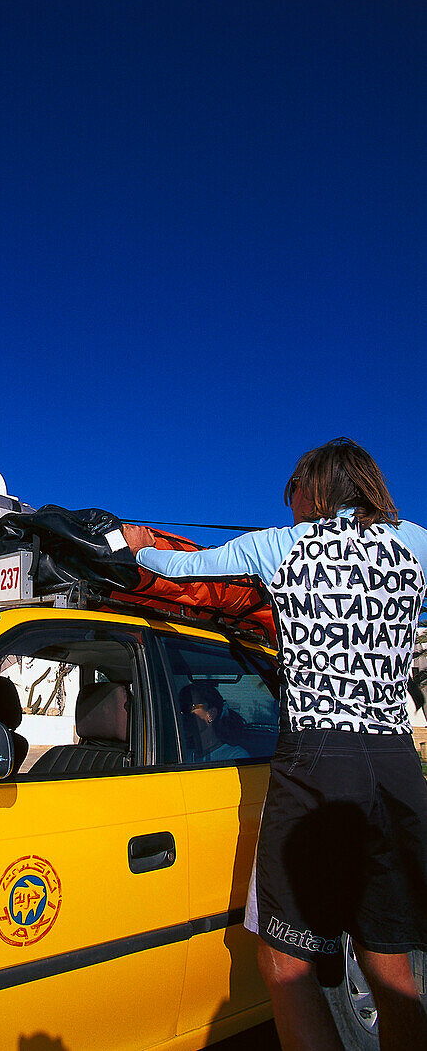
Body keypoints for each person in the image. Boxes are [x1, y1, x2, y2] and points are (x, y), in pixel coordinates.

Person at [123, 438, 427, 1051]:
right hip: (397, 767)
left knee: (287, 965)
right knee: (391, 962)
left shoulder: (280, 546)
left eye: (294, 500)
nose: (290, 514)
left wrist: (138, 547)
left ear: (312, 491)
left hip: (317, 762)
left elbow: (181, 568)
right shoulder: (416, 542)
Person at [179, 681, 249, 762]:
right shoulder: (183, 756)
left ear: (211, 714)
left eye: (190, 707)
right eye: (181, 707)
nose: (182, 713)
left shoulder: (235, 757)